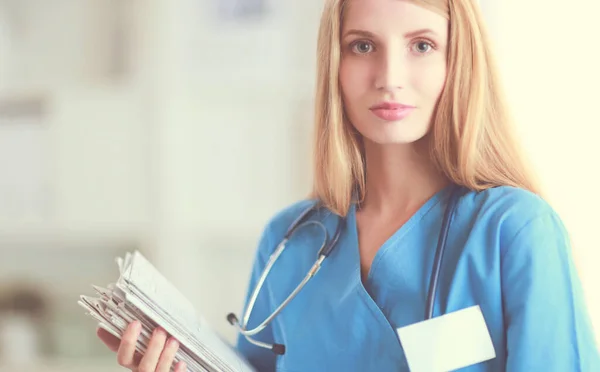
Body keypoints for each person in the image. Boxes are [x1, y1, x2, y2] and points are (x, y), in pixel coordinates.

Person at [97, 0, 600, 371]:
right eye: (363, 46)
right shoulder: (289, 240)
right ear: (334, 65)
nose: (389, 76)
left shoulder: (514, 230)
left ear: (458, 62)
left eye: (421, 45)